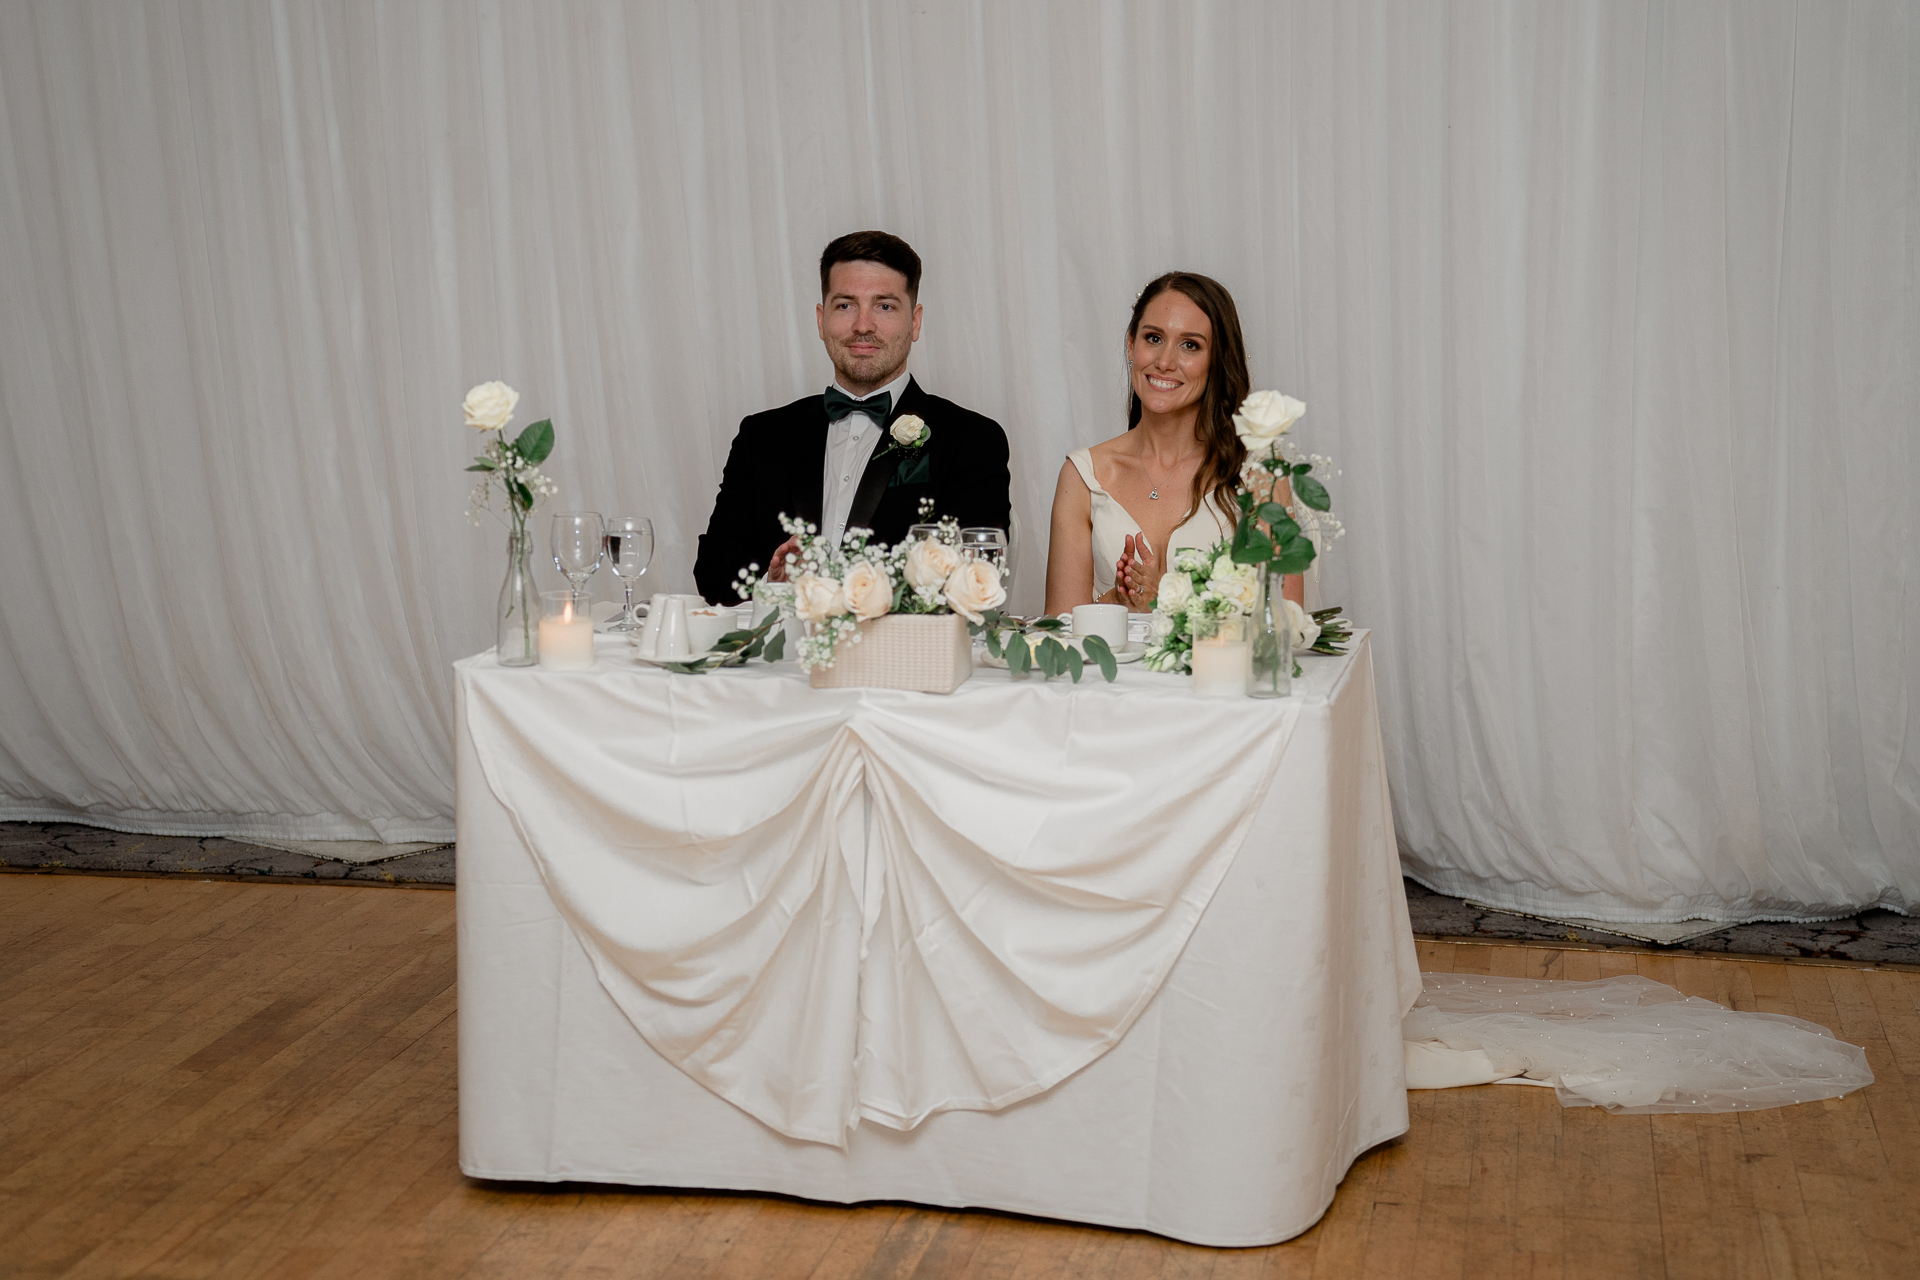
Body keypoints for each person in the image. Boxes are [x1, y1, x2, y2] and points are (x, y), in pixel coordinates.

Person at [693, 231, 1013, 603]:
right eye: (845, 305)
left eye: (885, 306)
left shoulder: (972, 439)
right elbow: (712, 572)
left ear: (915, 322)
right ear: (821, 319)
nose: (863, 325)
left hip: (900, 659)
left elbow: (974, 579)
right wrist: (771, 584)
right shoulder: (761, 435)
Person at [1044, 271, 1303, 615]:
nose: (1164, 362)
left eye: (1190, 345)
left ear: (1217, 362)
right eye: (1153, 338)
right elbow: (1060, 633)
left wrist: (1164, 601)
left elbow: (1284, 622)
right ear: (1130, 344)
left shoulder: (1260, 477)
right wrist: (1116, 602)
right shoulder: (1083, 476)